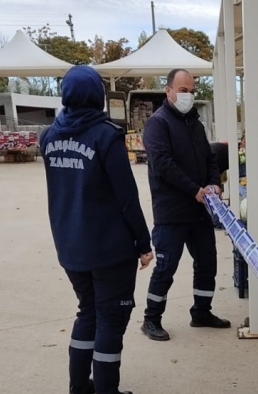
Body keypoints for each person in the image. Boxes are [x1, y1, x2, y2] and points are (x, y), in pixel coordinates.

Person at [39, 65, 153, 394]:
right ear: (97, 96)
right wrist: (143, 242)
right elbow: (127, 197)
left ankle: (79, 387)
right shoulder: (105, 136)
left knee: (87, 312)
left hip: (70, 246)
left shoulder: (49, 137)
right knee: (110, 321)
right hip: (109, 249)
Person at [141, 68, 231, 342]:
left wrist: (215, 184)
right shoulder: (158, 124)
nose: (188, 96)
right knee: (166, 267)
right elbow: (163, 164)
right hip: (171, 212)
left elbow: (210, 158)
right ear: (168, 91)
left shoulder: (196, 124)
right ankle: (151, 319)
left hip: (200, 210)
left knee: (207, 263)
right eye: (182, 91)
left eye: (192, 91)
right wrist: (194, 190)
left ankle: (201, 312)